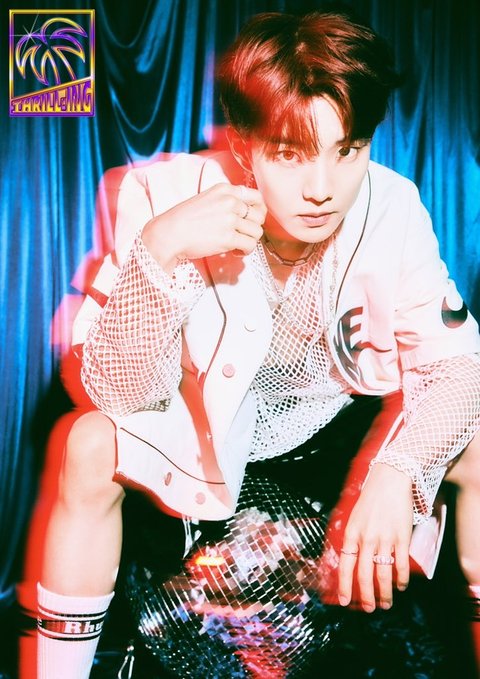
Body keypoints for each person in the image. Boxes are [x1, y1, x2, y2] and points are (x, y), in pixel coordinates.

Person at [26, 9, 480, 678]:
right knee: (87, 442)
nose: (322, 190)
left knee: (476, 439)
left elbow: (460, 365)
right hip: (203, 432)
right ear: (243, 144)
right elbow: (120, 395)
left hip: (332, 434)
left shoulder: (394, 206)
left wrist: (400, 472)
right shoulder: (164, 195)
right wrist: (161, 250)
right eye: (290, 153)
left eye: (347, 149)